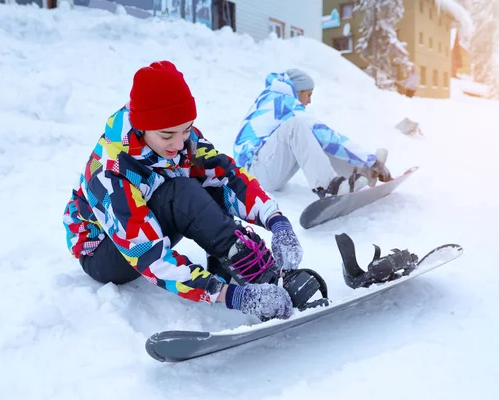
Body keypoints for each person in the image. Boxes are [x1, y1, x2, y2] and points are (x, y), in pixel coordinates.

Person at [63, 61, 305, 322]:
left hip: (147, 224)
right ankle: (245, 276)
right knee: (181, 191)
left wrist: (276, 220)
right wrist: (232, 296)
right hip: (106, 252)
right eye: (167, 136)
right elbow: (149, 256)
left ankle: (243, 261)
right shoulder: (111, 171)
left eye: (187, 129)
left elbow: (226, 177)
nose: (179, 144)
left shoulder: (179, 137)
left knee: (204, 178)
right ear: (142, 128)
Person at [233, 69, 392, 198]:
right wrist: (369, 159)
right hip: (254, 175)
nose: (309, 101)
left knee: (311, 136)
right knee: (299, 127)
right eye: (308, 94)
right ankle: (331, 186)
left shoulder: (274, 97)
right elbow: (325, 135)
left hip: (260, 171)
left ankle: (360, 173)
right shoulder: (283, 102)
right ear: (298, 91)